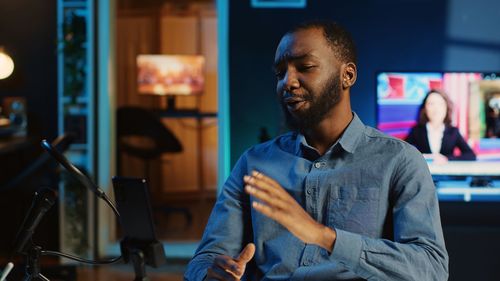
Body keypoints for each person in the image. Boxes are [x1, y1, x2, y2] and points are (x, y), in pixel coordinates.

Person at [185, 20, 448, 280]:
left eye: (305, 67)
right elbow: (204, 259)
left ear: (348, 75)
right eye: (279, 73)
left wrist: (324, 236)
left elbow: (431, 269)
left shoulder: (400, 161)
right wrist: (212, 274)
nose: (287, 82)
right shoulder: (254, 162)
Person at [406, 89, 476, 164]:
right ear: (424, 109)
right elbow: (403, 152)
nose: (436, 109)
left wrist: (447, 159)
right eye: (431, 104)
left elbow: (471, 155)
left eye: (440, 104)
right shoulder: (417, 131)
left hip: (446, 174)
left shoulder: (453, 131)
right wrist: (421, 157)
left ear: (447, 108)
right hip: (423, 174)